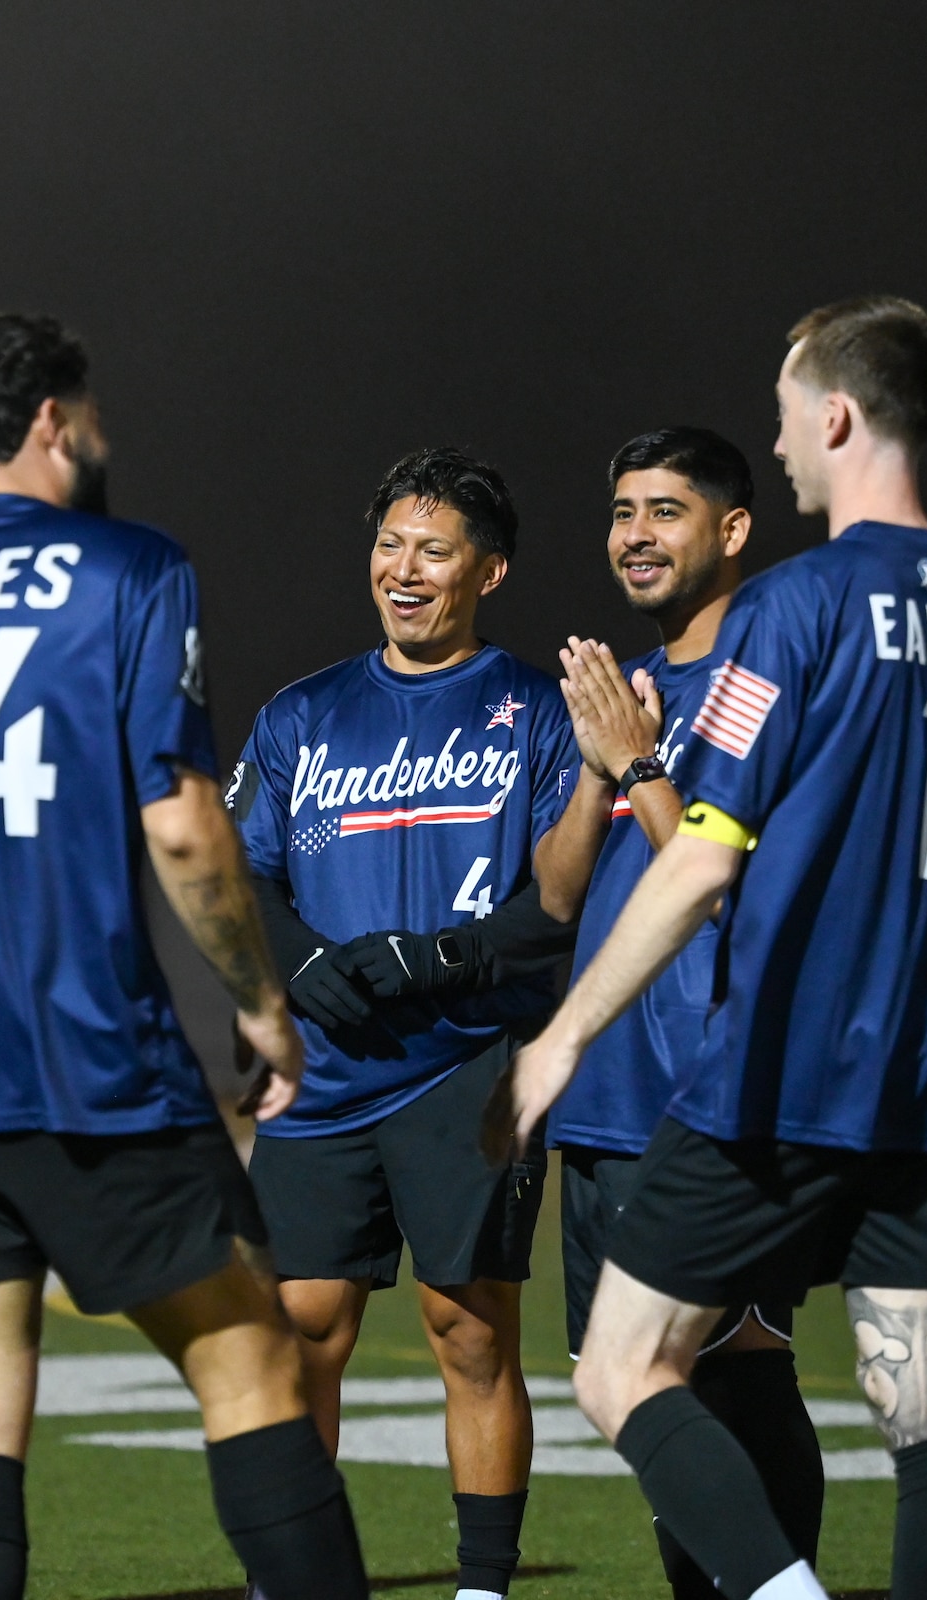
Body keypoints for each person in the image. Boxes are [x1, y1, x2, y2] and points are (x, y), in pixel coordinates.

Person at [496, 296, 927, 1600]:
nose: (785, 444)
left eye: (788, 416)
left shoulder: (791, 607)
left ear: (840, 414)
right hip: (923, 1093)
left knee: (622, 1366)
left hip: (775, 1079)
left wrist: (561, 1039)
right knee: (926, 1419)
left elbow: (700, 853)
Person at [0, 310, 371, 1600]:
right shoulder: (128, 565)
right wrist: (259, 1003)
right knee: (254, 1366)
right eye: (92, 409)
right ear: (51, 422)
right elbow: (179, 824)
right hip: (68, 1047)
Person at [228, 447, 598, 1600]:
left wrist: (435, 962)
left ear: (488, 570)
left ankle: (481, 1587)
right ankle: (290, 1582)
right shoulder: (300, 712)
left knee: (469, 1332)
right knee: (300, 1332)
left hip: (467, 1067)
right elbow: (238, 879)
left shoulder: (534, 710)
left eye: (432, 550)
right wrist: (303, 971)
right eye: (389, 544)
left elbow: (556, 905)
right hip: (323, 1072)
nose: (403, 568)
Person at [545, 428, 823, 1596]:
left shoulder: (770, 672)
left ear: (732, 528)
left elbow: (736, 895)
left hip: (713, 1083)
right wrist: (600, 763)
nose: (635, 535)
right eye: (620, 512)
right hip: (607, 1092)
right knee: (652, 1392)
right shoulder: (627, 691)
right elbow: (560, 892)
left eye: (664, 510)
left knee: (742, 1368)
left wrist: (643, 765)